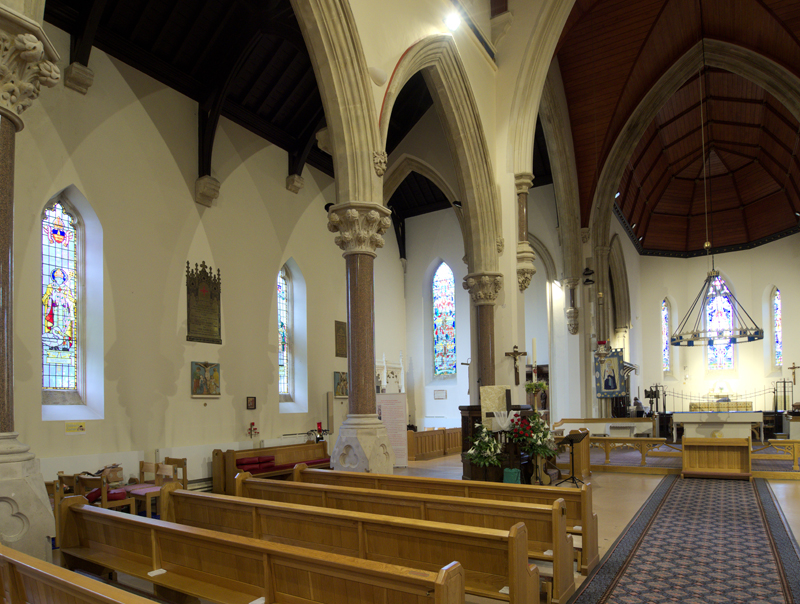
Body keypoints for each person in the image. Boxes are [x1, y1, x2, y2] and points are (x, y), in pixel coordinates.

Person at [42, 268, 75, 352]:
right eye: (57, 277)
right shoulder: (51, 286)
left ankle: (65, 345)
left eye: (60, 277)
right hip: (54, 311)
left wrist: (67, 301)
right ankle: (53, 345)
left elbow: (72, 301)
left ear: (63, 278)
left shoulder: (67, 288)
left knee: (65, 329)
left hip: (64, 312)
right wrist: (50, 298)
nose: (58, 279)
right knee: (54, 328)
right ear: (54, 278)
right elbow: (45, 298)